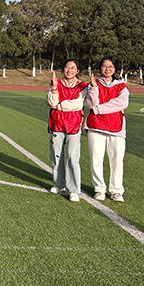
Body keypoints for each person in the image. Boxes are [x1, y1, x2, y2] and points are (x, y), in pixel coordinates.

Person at [84, 55, 129, 202]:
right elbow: (91, 103)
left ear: (115, 69)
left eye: (110, 66)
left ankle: (116, 191)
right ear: (100, 68)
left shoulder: (121, 85)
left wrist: (98, 109)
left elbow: (121, 103)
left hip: (116, 127)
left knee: (117, 160)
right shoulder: (94, 83)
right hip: (96, 126)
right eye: (104, 66)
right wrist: (93, 88)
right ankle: (99, 189)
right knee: (96, 159)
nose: (107, 69)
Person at [46, 59, 88, 202]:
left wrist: (60, 106)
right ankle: (58, 184)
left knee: (72, 157)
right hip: (56, 124)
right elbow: (51, 102)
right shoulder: (56, 82)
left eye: (73, 68)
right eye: (66, 67)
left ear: (77, 71)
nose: (69, 70)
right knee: (56, 156)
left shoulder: (82, 86)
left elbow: (78, 104)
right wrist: (54, 89)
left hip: (73, 125)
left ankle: (74, 189)